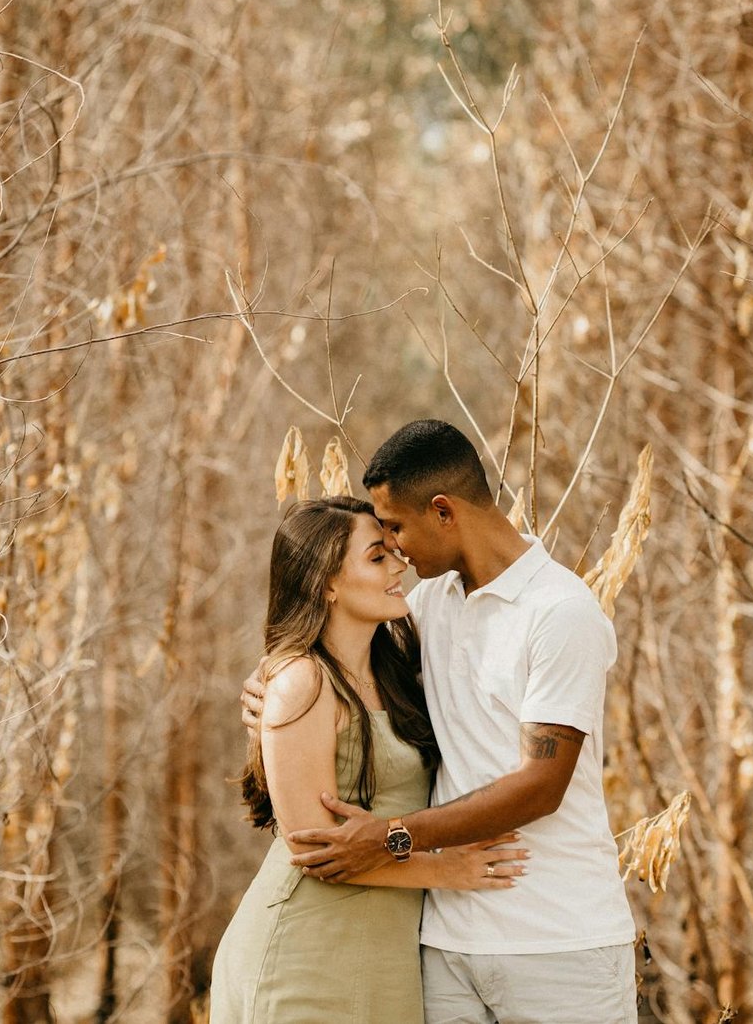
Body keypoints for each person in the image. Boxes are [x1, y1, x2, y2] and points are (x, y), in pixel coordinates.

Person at [242, 420, 637, 1024]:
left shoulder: (559, 614)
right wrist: (269, 688)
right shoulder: (427, 606)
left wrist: (393, 834)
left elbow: (542, 785)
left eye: (396, 528)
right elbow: (335, 670)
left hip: (559, 940)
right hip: (444, 945)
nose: (395, 548)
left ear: (444, 510)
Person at [210, 495, 529, 1024]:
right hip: (304, 955)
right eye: (376, 557)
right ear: (326, 583)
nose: (399, 567)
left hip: (384, 955)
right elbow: (318, 851)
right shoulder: (303, 683)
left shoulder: (398, 674)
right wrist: (446, 868)